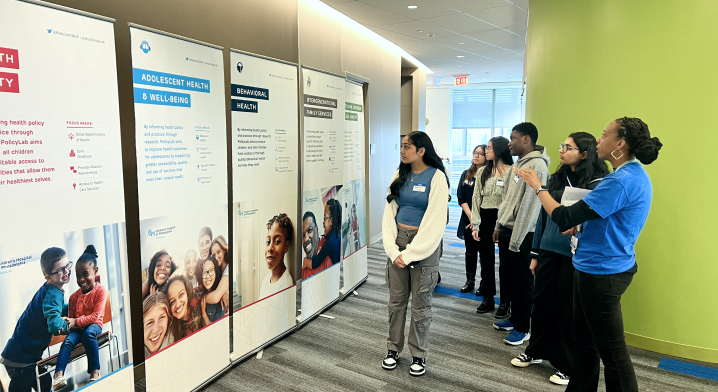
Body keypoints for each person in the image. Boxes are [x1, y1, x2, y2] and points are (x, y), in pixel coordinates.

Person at [514, 117, 661, 392]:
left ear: (620, 144)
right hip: (593, 267)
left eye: (604, 135)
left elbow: (563, 215)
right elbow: (603, 218)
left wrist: (538, 186)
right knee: (584, 344)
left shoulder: (620, 181)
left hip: (602, 274)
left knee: (613, 354)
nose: (598, 140)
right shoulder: (629, 176)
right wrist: (581, 225)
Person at [510, 132, 609, 386]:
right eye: (562, 146)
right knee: (541, 303)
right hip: (549, 250)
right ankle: (535, 351)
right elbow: (544, 216)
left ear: (584, 154)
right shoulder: (557, 178)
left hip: (576, 255)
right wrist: (535, 253)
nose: (562, 150)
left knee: (568, 310)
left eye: (569, 147)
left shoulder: (598, 183)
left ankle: (567, 364)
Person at [381, 131, 449, 377]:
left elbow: (435, 221)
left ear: (421, 150)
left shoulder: (437, 177)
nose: (402, 150)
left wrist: (411, 253)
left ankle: (418, 355)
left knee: (421, 304)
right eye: (401, 146)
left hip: (425, 245)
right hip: (398, 241)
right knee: (396, 302)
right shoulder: (400, 174)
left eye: (407, 146)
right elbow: (389, 213)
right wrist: (392, 249)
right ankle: (392, 349)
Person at [492, 122, 550, 345]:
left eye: (513, 138)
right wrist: (499, 226)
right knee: (511, 279)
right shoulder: (517, 165)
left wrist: (516, 238)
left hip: (524, 235)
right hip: (508, 231)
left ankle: (523, 327)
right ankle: (515, 318)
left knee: (525, 282)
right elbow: (506, 199)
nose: (510, 143)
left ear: (526, 139)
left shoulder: (537, 166)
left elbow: (530, 206)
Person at [1, 247, 71, 392]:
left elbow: (53, 309)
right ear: (48, 277)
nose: (66, 271)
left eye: (67, 266)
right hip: (21, 359)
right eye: (60, 270)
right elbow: (54, 326)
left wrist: (71, 307)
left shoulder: (51, 289)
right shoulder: (52, 294)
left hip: (28, 356)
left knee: (45, 383)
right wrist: (75, 324)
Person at [53, 246, 108, 390]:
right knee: (68, 341)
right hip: (78, 328)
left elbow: (95, 316)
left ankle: (95, 372)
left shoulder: (100, 291)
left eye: (85, 274)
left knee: (89, 334)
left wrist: (76, 321)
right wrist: (66, 328)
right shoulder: (73, 297)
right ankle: (58, 375)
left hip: (94, 324)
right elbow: (71, 321)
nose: (81, 279)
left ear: (95, 271)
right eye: (78, 276)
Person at [470, 137, 513, 314]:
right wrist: (475, 224)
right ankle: (488, 298)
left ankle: (505, 302)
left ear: (500, 150)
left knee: (506, 264)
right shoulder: (482, 172)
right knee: (486, 261)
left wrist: (501, 223)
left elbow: (510, 201)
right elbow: (476, 199)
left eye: (489, 148)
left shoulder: (512, 171)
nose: (485, 151)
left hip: (504, 219)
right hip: (485, 218)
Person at [456, 144, 487, 293]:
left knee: (484, 252)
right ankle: (470, 281)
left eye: (480, 154)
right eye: (475, 153)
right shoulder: (466, 174)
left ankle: (484, 282)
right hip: (467, 218)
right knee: (470, 251)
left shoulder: (490, 175)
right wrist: (471, 216)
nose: (476, 156)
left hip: (485, 219)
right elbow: (461, 197)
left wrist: (477, 219)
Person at [302, 199, 342, 276]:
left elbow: (318, 260)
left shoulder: (329, 242)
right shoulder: (337, 234)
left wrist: (307, 262)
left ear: (331, 221)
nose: (323, 222)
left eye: (325, 218)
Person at [260, 213, 295, 298]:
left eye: (277, 241)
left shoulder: (285, 286)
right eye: (268, 242)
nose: (270, 248)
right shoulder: (265, 280)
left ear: (286, 246)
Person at [165, 275, 204, 340]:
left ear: (187, 293)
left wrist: (221, 292)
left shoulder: (196, 300)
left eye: (181, 295)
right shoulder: (173, 329)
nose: (177, 304)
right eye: (172, 302)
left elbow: (208, 286)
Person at [301, 211, 331, 279]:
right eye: (303, 236)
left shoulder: (329, 252)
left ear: (317, 230)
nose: (305, 239)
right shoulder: (304, 269)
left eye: (310, 231)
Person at [142, 292, 174, 356]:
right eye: (150, 322)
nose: (156, 329)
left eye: (162, 317)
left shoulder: (175, 339)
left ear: (168, 319)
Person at [200, 256, 225, 324]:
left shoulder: (220, 301)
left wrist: (204, 313)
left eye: (211, 271)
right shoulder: (200, 293)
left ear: (216, 272)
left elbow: (215, 330)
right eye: (205, 272)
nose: (207, 276)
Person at [208, 235, 230, 315]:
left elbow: (215, 297)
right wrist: (223, 292)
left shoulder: (228, 268)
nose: (216, 257)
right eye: (214, 255)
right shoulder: (218, 270)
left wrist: (201, 299)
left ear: (224, 250)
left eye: (218, 252)